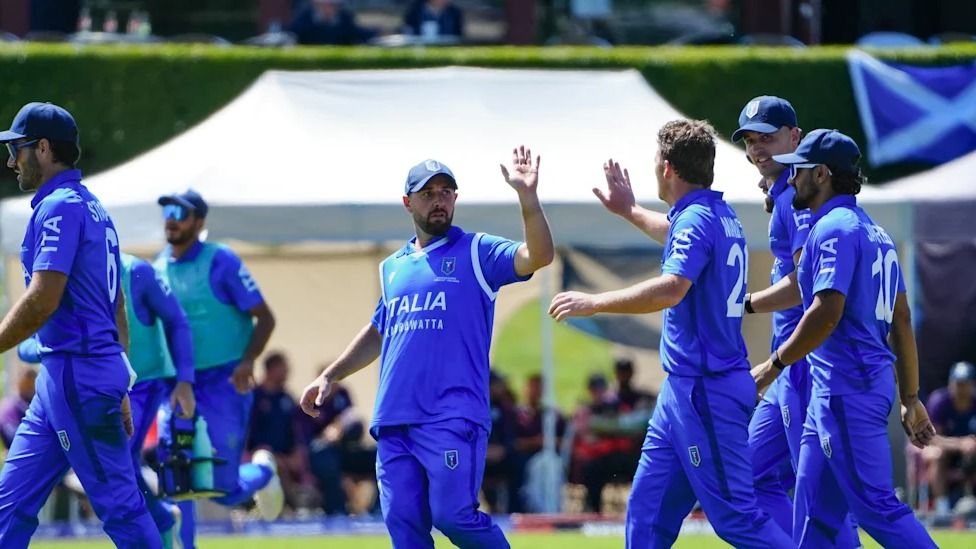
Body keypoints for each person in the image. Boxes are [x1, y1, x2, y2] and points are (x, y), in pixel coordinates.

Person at [549, 119, 792, 547]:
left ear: (666, 167)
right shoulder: (717, 214)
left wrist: (596, 302)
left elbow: (672, 287)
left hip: (706, 390)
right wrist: (629, 210)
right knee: (648, 515)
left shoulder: (696, 220)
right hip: (685, 391)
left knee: (736, 518)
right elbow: (677, 234)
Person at [300, 147, 554, 548]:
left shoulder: (477, 251)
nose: (439, 200)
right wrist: (330, 376)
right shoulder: (392, 267)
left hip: (451, 416)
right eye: (428, 193)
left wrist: (528, 197)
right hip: (394, 418)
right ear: (408, 202)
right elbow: (379, 330)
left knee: (454, 516)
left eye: (446, 192)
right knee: (403, 527)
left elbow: (538, 255)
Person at [749, 129, 937, 547]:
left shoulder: (832, 228)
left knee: (876, 507)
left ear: (821, 174)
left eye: (799, 170)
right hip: (845, 388)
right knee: (815, 517)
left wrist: (774, 364)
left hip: (847, 387)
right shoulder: (874, 231)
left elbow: (825, 313)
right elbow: (902, 320)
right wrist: (910, 398)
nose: (791, 178)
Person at [0, 102, 161, 548]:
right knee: (9, 506)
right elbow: (116, 303)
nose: (11, 162)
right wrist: (121, 378)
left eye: (16, 149)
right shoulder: (91, 207)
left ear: (43, 148)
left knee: (122, 510)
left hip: (78, 375)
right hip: (68, 377)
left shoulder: (60, 208)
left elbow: (43, 299)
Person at [153, 189, 281, 549]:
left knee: (222, 489)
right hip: (179, 385)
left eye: (181, 213)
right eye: (167, 211)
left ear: (199, 222)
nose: (171, 219)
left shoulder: (221, 260)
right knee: (178, 475)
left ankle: (263, 471)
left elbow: (266, 318)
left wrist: (248, 360)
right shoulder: (157, 268)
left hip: (225, 382)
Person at [923, 361, 976, 515]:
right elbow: (931, 438)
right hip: (945, 452)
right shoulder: (939, 402)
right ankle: (943, 508)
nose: (961, 389)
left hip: (971, 453)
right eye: (957, 383)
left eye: (965, 384)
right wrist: (960, 444)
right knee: (937, 455)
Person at [288, 0, 375, 45]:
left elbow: (357, 33)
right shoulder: (304, 18)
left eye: (332, 5)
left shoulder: (345, 19)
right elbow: (293, 34)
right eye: (326, 4)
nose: (329, 7)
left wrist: (375, 34)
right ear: (317, 4)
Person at [0, 364, 37, 451]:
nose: (29, 386)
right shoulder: (9, 406)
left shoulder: (39, 405)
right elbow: (13, 438)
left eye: (31, 383)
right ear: (18, 382)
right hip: (14, 452)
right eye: (26, 383)